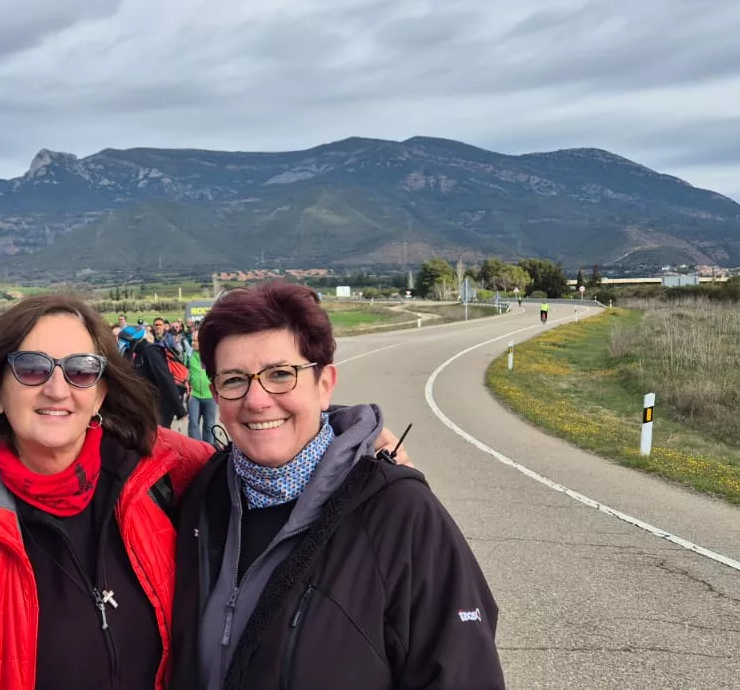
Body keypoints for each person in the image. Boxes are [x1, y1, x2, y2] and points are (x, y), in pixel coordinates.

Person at [168, 282, 503, 690]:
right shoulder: (201, 496)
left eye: (280, 374)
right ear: (216, 391)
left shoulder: (402, 513)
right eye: (235, 379)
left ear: (325, 384)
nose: (256, 400)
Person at [0, 295, 212, 689]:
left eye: (81, 371)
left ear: (100, 394)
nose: (56, 389)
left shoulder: (165, 476)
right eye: (31, 368)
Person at [119, 325, 186, 428]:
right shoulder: (134, 354)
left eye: (124, 342)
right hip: (146, 408)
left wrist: (180, 410)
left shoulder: (151, 351)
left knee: (158, 439)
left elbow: (165, 379)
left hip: (160, 408)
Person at [184, 328, 217, 445]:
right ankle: (195, 450)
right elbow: (184, 371)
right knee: (193, 424)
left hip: (210, 396)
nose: (192, 343)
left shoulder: (212, 356)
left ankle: (209, 451)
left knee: (209, 425)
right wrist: (186, 382)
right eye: (191, 340)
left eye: (195, 341)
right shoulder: (188, 355)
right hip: (194, 395)